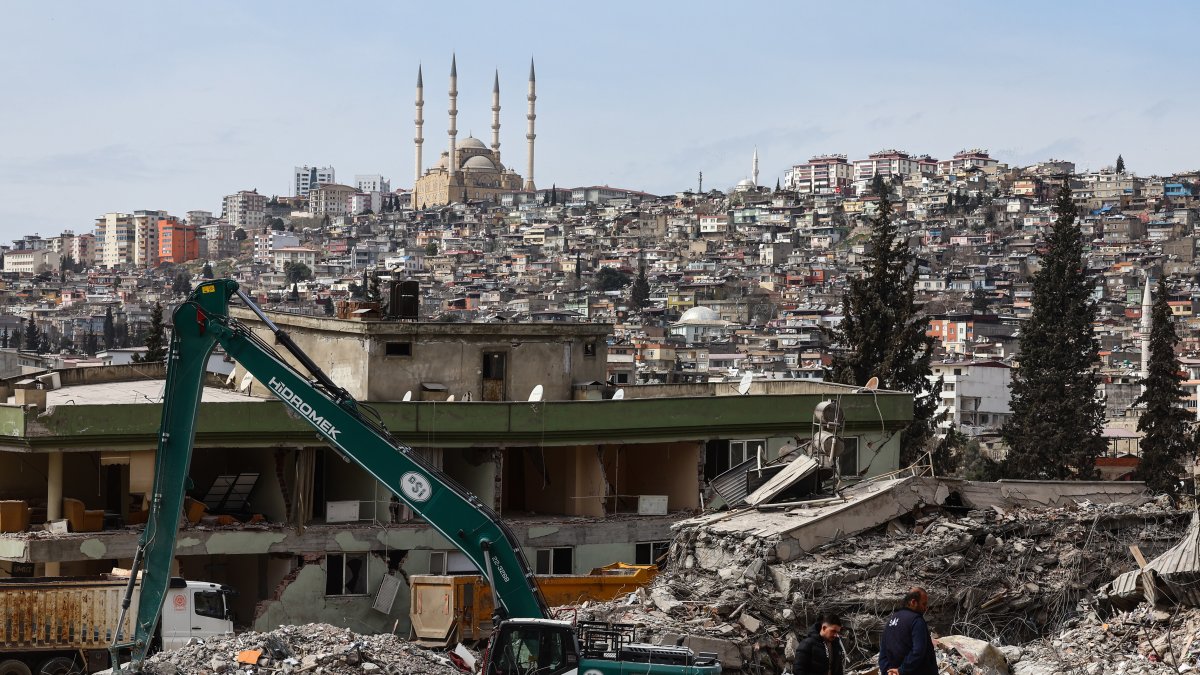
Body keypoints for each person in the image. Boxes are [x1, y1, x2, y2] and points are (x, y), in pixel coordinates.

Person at [878, 587, 937, 675]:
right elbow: (918, 651)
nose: (925, 608)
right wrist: (901, 670)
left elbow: (883, 652)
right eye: (923, 604)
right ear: (913, 602)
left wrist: (888, 671)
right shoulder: (917, 621)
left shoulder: (892, 619)